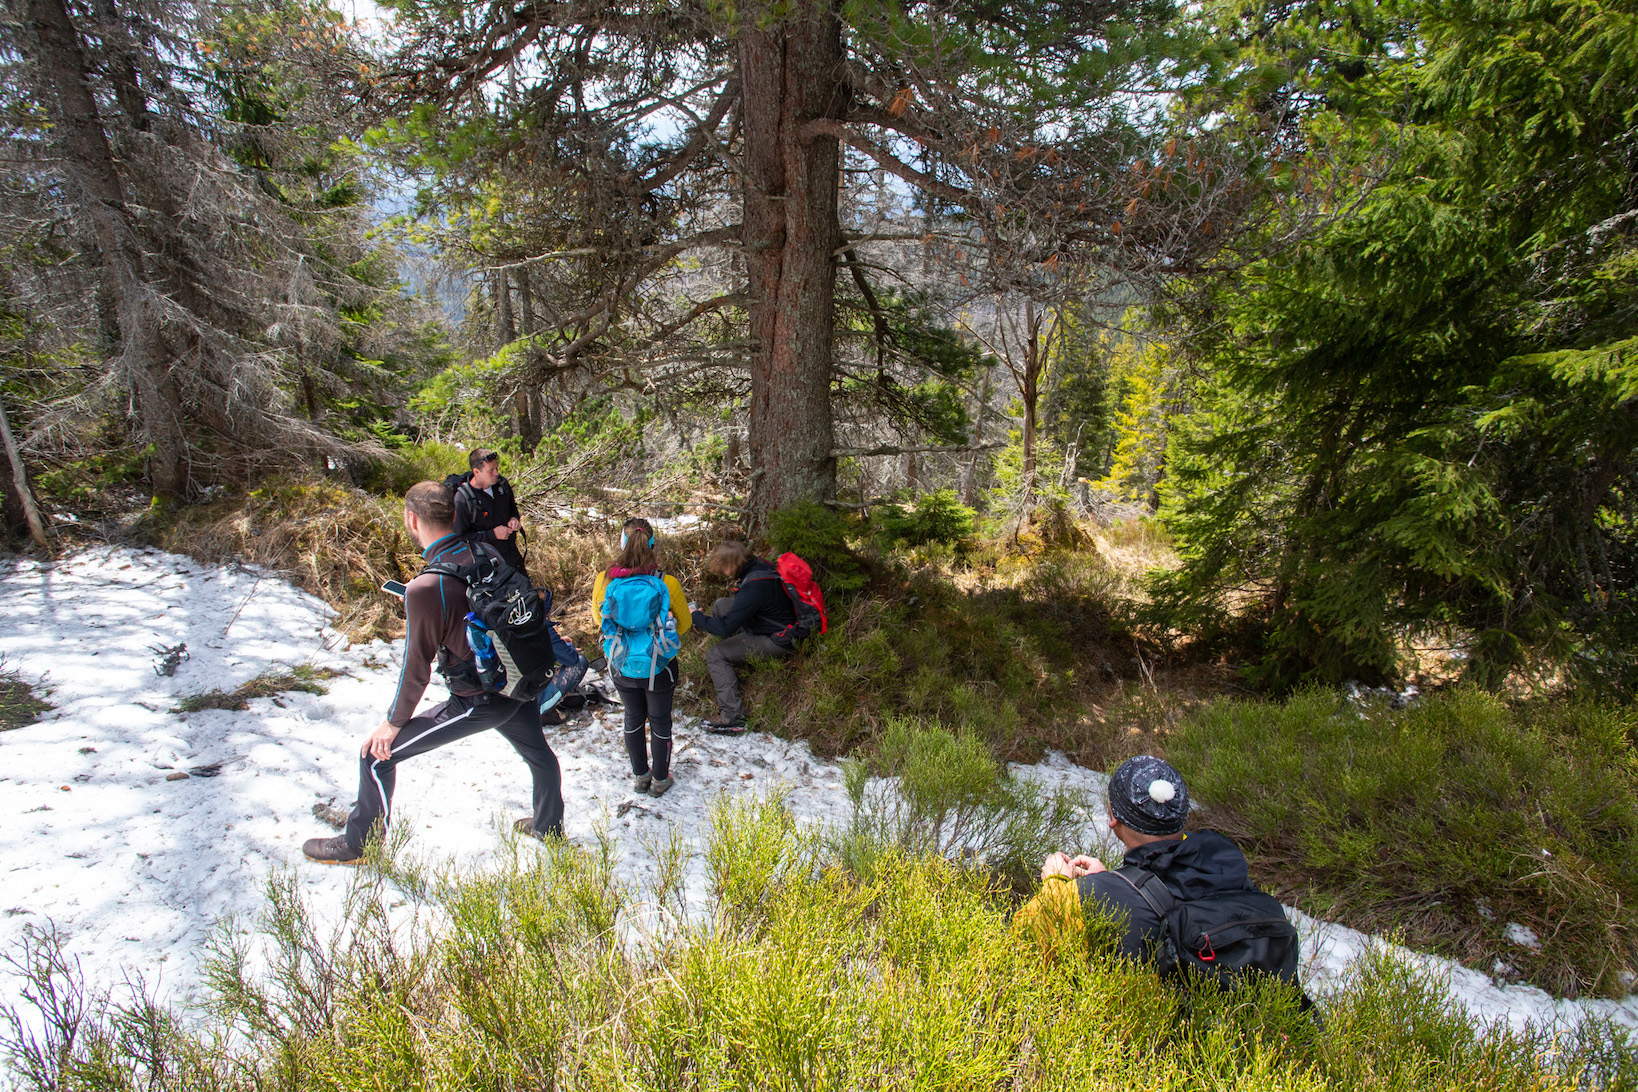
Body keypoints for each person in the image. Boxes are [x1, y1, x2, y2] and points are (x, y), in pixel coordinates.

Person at [302, 481, 564, 864]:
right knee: (541, 756)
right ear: (454, 514)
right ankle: (548, 826)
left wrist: (393, 724)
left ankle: (358, 846)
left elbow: (416, 667)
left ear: (412, 519)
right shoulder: (486, 552)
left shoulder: (425, 587)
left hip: (478, 700)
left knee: (375, 757)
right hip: (516, 682)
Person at [1014, 756, 1275, 968]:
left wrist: (1057, 883)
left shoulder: (1097, 896)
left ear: (1113, 817)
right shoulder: (1226, 862)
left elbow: (1020, 939)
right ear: (1181, 815)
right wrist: (1119, 880)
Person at [591, 517, 692, 797]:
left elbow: (599, 620)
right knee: (660, 721)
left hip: (621, 662)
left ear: (621, 543)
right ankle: (660, 779)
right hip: (658, 663)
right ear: (653, 544)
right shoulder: (667, 582)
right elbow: (684, 625)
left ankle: (640, 776)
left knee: (633, 717)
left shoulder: (605, 579)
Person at [689, 540, 798, 734]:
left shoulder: (753, 587)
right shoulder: (760, 565)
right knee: (721, 605)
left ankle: (733, 716)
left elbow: (723, 628)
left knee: (715, 653)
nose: (724, 573)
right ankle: (733, 655)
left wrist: (696, 617)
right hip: (775, 622)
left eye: (724, 568)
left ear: (732, 564)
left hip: (776, 639)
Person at [451, 448, 525, 570]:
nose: (496, 473)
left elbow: (512, 506)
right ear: (476, 471)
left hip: (511, 554)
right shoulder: (463, 499)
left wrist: (514, 518)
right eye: (490, 470)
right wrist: (492, 534)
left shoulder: (502, 485)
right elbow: (460, 538)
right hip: (486, 563)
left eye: (496, 468)